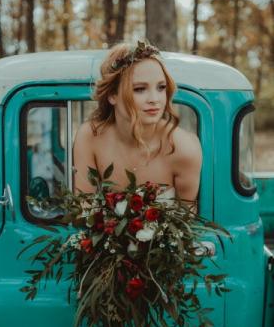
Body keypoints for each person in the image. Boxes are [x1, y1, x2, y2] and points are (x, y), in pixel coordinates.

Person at [73, 41, 202, 210]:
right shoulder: (90, 137)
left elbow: (187, 222)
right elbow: (84, 212)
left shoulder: (183, 149)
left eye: (161, 87)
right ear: (112, 95)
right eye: (140, 89)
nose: (154, 99)